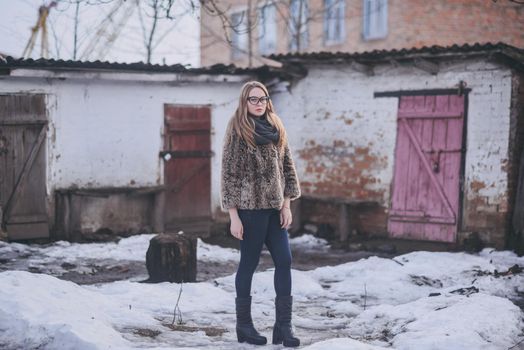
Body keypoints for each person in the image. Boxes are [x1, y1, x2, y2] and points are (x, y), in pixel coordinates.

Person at [221, 81, 301, 347]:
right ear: (244, 102)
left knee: (285, 260)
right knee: (248, 265)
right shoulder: (237, 130)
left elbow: (288, 166)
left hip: (275, 209)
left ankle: (283, 328)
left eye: (263, 98)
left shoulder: (277, 126)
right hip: (250, 211)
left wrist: (286, 205)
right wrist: (234, 216)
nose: (258, 103)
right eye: (253, 99)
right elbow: (229, 175)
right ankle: (244, 326)